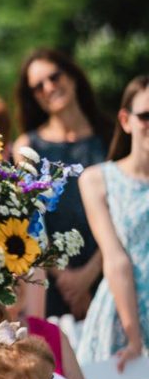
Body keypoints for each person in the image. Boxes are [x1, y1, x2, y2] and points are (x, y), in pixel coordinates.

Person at [14, 48, 113, 320]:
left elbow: (124, 209)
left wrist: (89, 274)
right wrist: (68, 280)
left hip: (112, 275)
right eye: (38, 87)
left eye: (54, 77)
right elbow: (31, 224)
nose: (49, 88)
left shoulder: (111, 135)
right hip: (54, 287)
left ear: (72, 76)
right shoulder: (26, 148)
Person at [77, 74, 149, 369]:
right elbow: (116, 260)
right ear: (126, 120)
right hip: (122, 316)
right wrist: (134, 338)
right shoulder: (97, 179)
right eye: (146, 116)